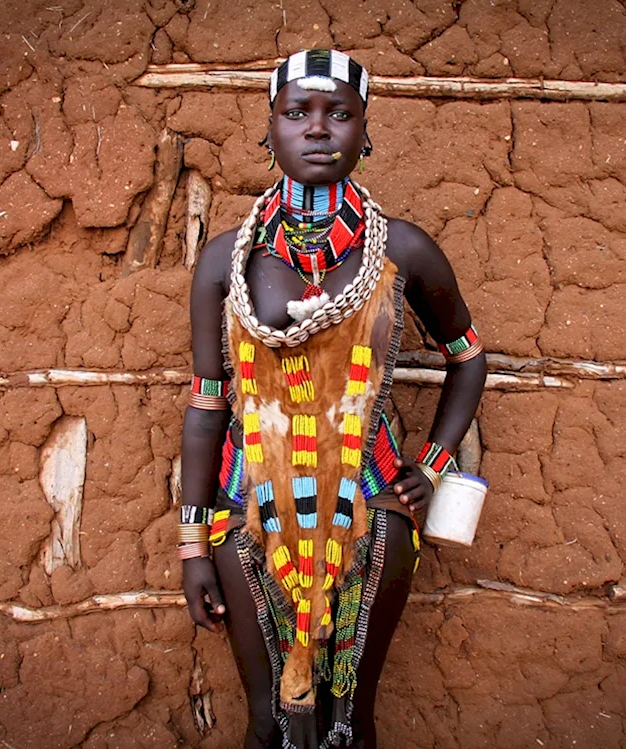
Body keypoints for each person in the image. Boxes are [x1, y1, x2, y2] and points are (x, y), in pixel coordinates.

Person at [179, 50, 487, 749]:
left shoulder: (402, 249)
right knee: (271, 723)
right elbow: (206, 407)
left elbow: (468, 358)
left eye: (339, 114)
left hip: (373, 507)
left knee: (349, 723)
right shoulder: (227, 260)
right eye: (297, 113)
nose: (318, 130)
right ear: (269, 131)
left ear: (365, 131)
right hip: (246, 513)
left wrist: (432, 463)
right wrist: (193, 543)